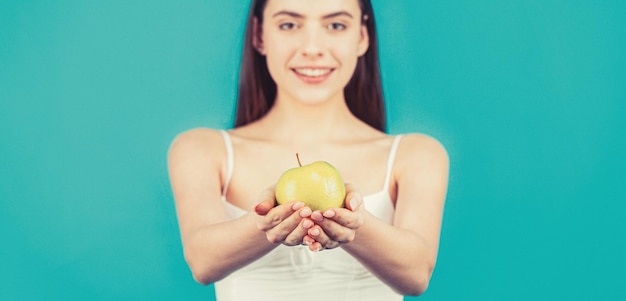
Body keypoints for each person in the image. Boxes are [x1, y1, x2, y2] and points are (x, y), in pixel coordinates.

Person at [167, 0, 449, 300]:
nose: (312, 48)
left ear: (362, 36)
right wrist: (267, 223)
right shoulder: (202, 150)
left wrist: (355, 225)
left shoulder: (417, 155)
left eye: (336, 25)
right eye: (289, 25)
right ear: (259, 35)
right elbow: (202, 261)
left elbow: (417, 274)